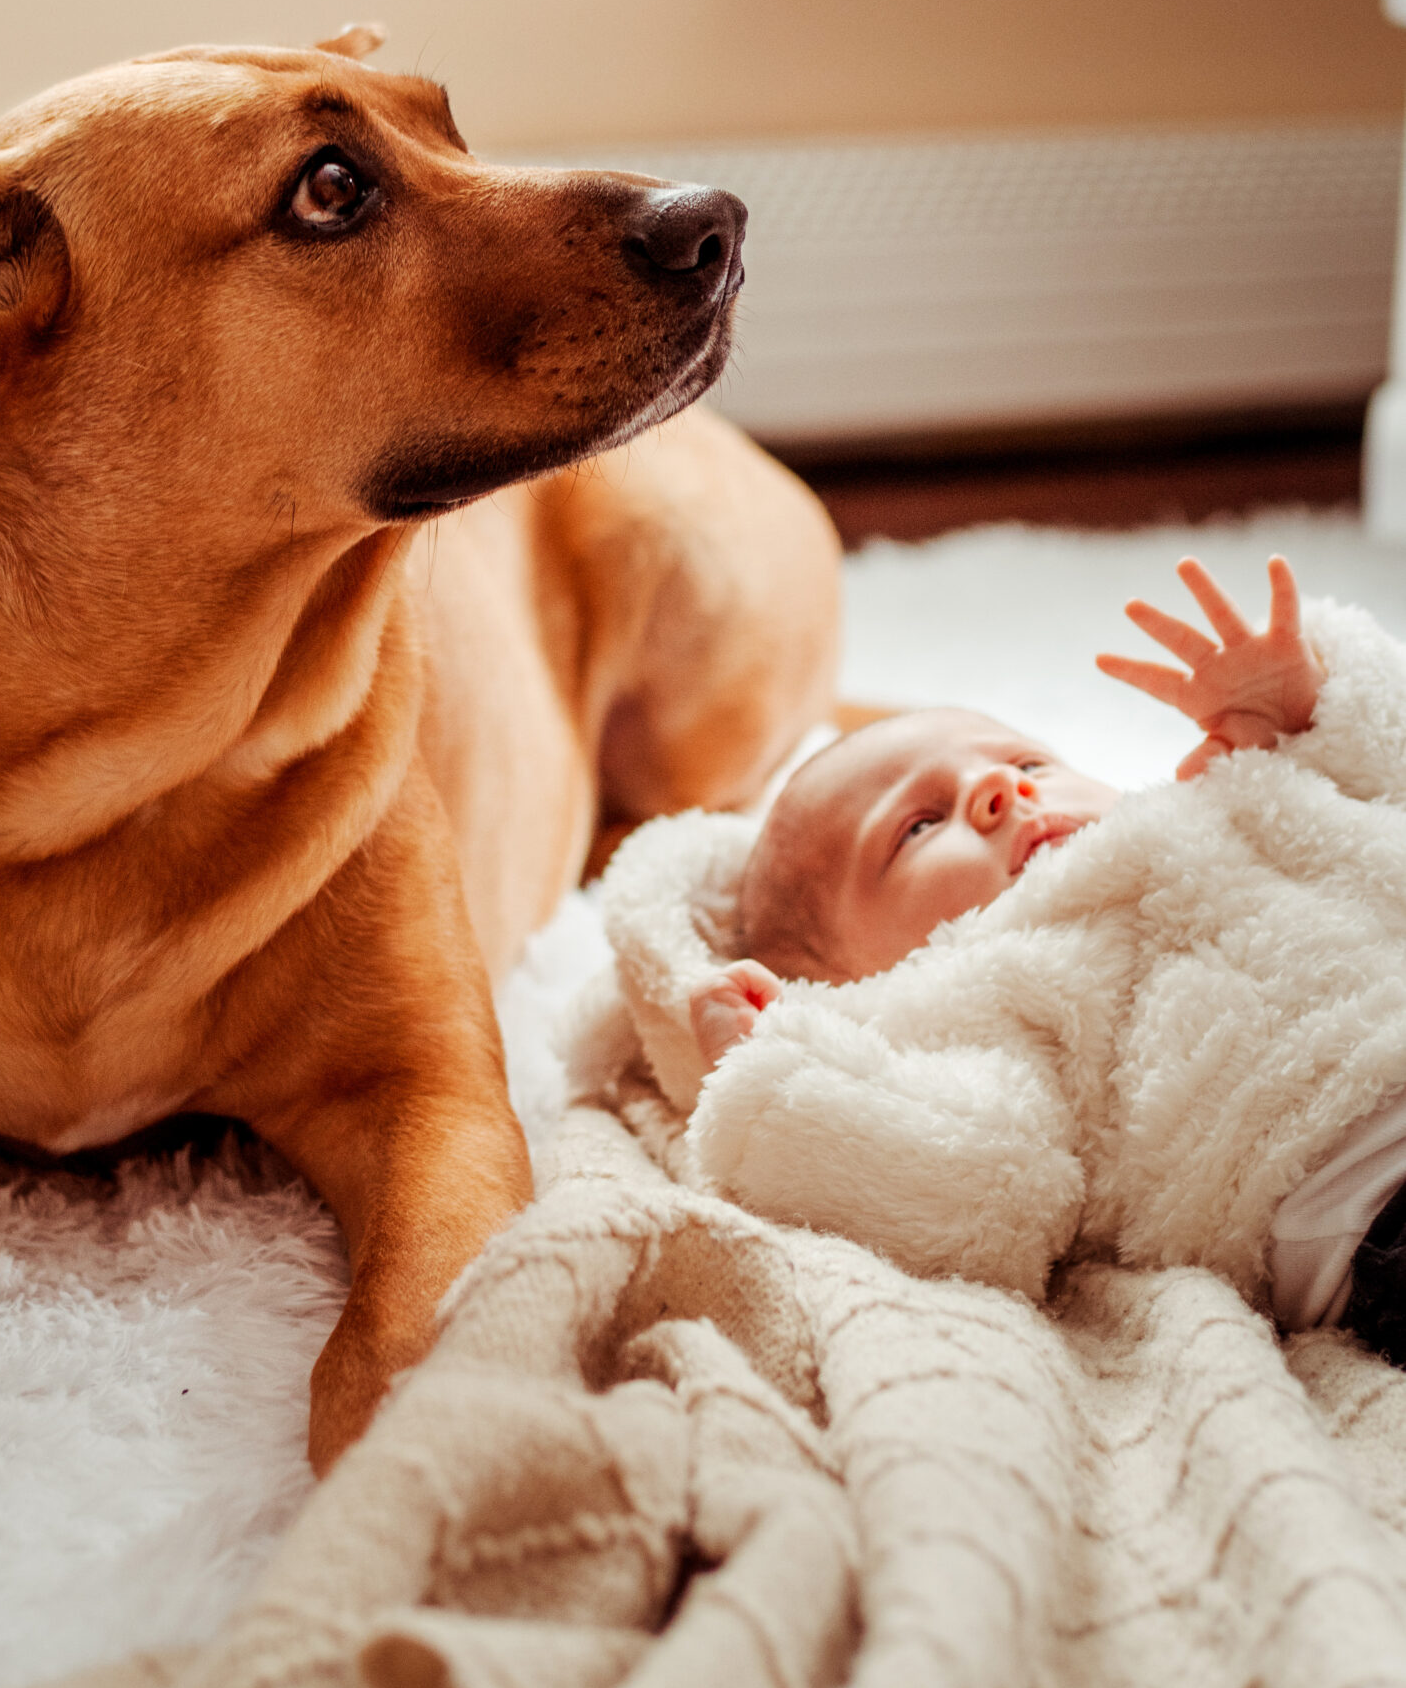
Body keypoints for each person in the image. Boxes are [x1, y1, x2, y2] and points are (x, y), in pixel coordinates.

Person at [598, 558, 1406, 1350]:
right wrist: (784, 1083)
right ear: (856, 979)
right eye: (916, 826)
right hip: (1368, 1189)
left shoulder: (1221, 798)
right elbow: (973, 1185)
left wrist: (1308, 715)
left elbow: (1384, 793)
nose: (1002, 790)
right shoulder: (983, 1004)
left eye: (1027, 764)